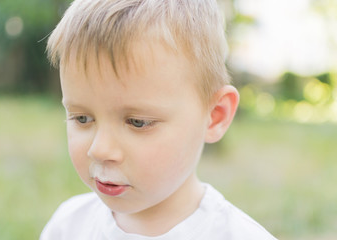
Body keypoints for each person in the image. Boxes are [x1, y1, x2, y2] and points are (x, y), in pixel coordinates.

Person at [41, 0, 277, 239]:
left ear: (215, 116)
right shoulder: (67, 227)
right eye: (81, 118)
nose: (99, 150)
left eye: (138, 122)